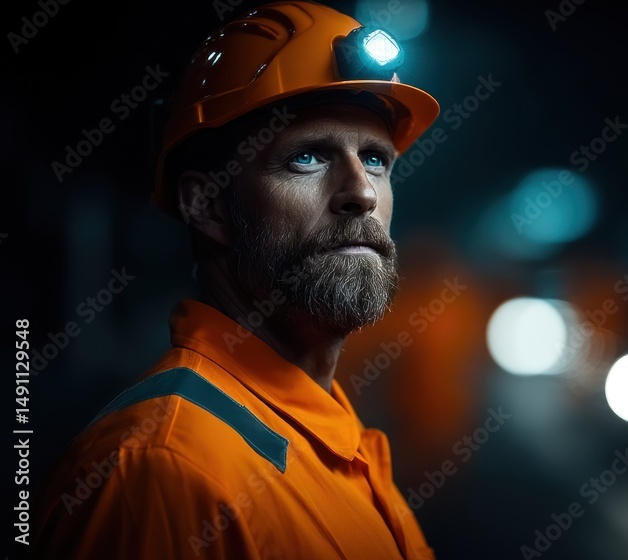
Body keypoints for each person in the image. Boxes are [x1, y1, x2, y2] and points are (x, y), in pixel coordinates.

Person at [31, 2, 440, 558]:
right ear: (207, 206)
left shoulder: (335, 440)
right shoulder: (160, 472)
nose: (362, 193)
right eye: (307, 157)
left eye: (374, 159)